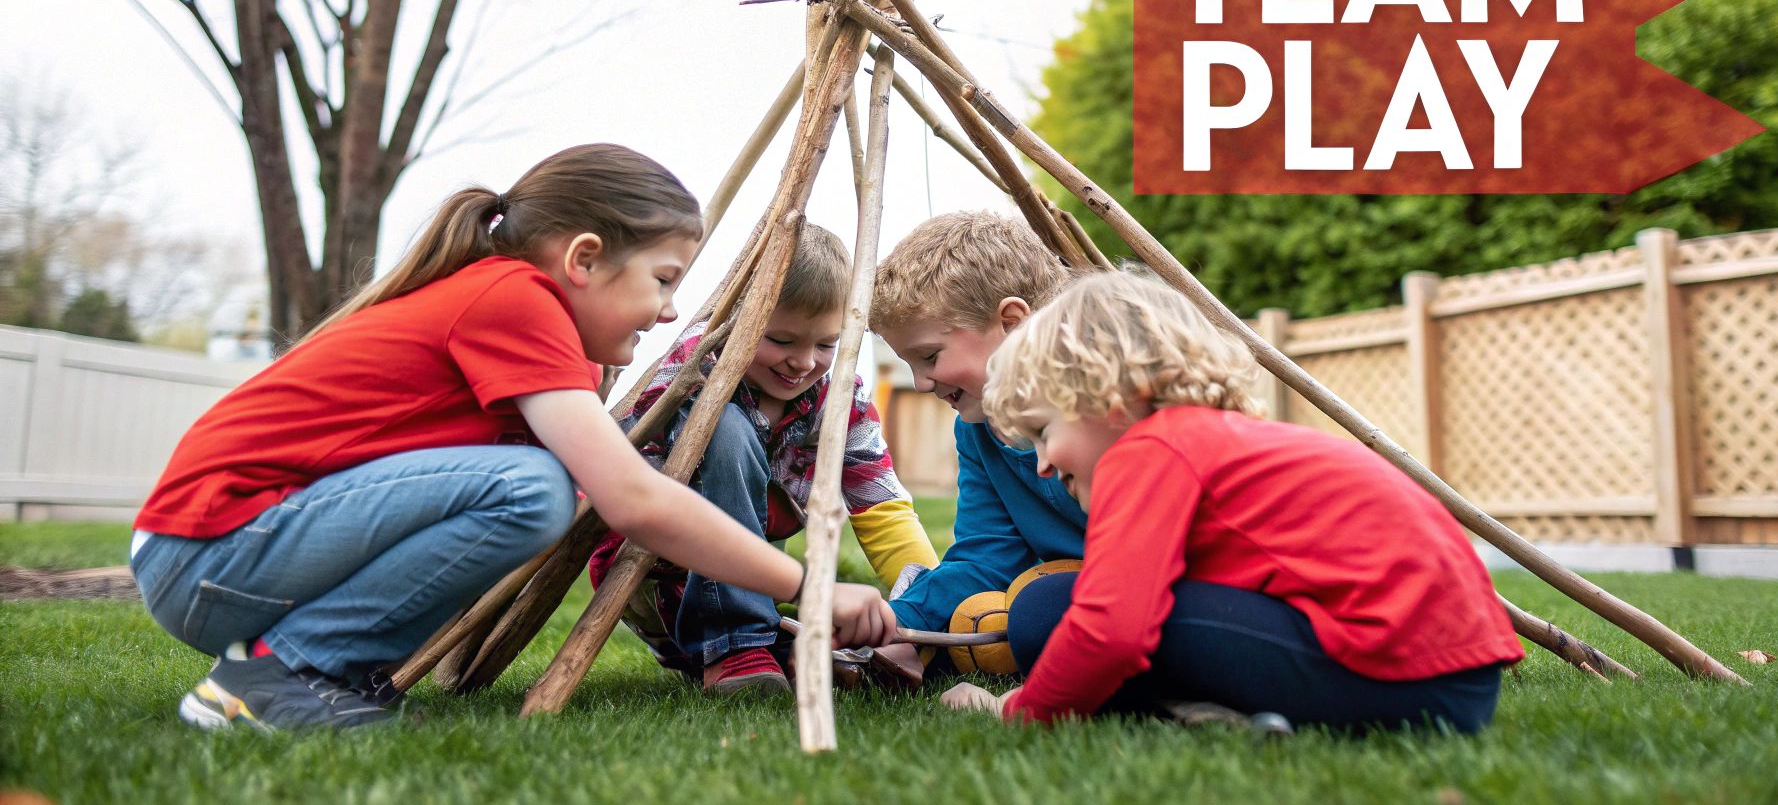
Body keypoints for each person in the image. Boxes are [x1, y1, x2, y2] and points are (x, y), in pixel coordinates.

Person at [128, 144, 896, 732]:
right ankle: (277, 677)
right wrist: (812, 587)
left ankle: (314, 671)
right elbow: (632, 498)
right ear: (584, 259)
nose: (668, 312)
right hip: (208, 554)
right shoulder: (515, 300)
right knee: (533, 489)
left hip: (226, 556)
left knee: (535, 477)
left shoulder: (524, 318)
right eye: (663, 280)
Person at [945, 270, 1522, 732]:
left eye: (1045, 431)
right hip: (1455, 684)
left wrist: (1018, 711)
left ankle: (1198, 713)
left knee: (1049, 610)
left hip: (1395, 676)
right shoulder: (1211, 441)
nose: (1042, 463)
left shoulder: (1148, 450)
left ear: (1111, 397)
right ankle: (1219, 715)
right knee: (1058, 605)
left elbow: (1112, 629)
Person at [587, 222, 938, 695]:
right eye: (782, 340)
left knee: (805, 652)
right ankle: (735, 646)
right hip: (656, 570)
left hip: (755, 579)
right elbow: (635, 491)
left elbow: (880, 506)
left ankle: (775, 649)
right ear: (740, 320)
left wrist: (920, 609)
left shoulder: (839, 398)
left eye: (826, 344)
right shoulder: (697, 366)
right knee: (724, 428)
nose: (803, 362)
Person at [868, 212, 1086, 636]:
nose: (920, 383)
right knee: (1031, 610)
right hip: (1078, 593)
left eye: (929, 356)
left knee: (1039, 610)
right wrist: (898, 624)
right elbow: (986, 559)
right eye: (910, 364)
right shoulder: (977, 431)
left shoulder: (1106, 414)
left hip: (1162, 588)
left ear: (1012, 323)